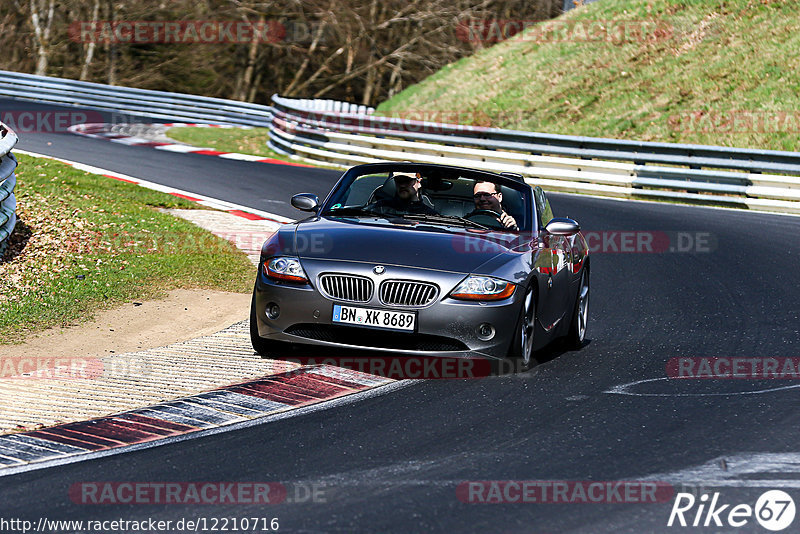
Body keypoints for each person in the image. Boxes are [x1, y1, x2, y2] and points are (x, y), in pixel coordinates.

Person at [369, 171, 437, 215]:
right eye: (398, 180)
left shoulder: (430, 215)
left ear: (419, 182)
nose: (402, 185)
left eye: (407, 180)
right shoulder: (381, 207)